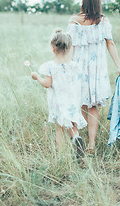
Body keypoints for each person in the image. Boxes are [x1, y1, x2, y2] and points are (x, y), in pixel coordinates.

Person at [66, 0, 120, 154]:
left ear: (83, 1)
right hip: (97, 70)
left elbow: (70, 47)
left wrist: (66, 67)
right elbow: (111, 44)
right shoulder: (103, 21)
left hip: (78, 67)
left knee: (80, 104)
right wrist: (119, 66)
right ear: (98, 2)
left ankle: (80, 137)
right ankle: (91, 144)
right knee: (93, 107)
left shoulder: (74, 21)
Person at [31, 29, 87, 158]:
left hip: (58, 102)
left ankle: (61, 155)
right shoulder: (75, 66)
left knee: (59, 129)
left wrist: (37, 77)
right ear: (68, 49)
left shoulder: (49, 66)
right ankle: (76, 138)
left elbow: (47, 84)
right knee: (72, 124)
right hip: (72, 101)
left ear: (53, 48)